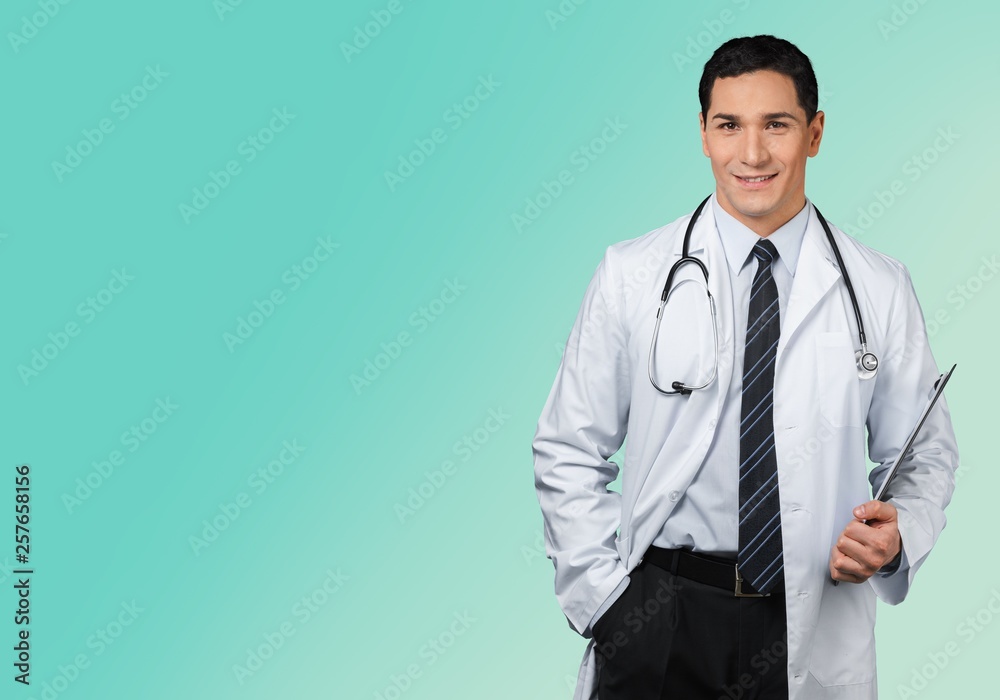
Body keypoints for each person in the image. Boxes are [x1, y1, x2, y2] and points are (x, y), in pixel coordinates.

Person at [532, 35, 959, 700]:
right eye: (729, 125)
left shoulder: (881, 287)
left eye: (777, 125)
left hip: (813, 611)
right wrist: (607, 605)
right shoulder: (631, 274)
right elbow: (567, 448)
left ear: (814, 133)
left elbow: (924, 456)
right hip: (659, 615)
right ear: (703, 133)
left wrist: (898, 538)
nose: (752, 153)